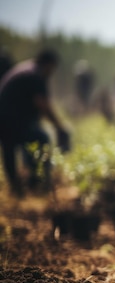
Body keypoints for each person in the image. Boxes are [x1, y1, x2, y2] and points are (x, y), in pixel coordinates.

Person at [0, 48, 70, 196]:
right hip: (11, 119)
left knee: (10, 149)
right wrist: (59, 126)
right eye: (53, 68)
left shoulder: (26, 69)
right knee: (40, 138)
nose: (52, 72)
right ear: (49, 64)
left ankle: (17, 188)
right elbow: (43, 105)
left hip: (6, 118)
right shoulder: (35, 75)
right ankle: (37, 183)